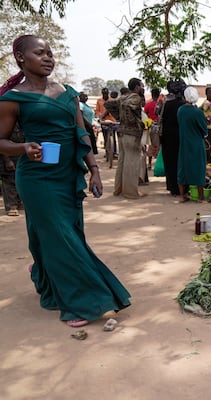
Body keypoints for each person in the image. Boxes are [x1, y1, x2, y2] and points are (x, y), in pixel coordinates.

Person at [0, 35, 130, 327]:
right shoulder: (12, 99)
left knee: (64, 233)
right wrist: (23, 148)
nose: (48, 58)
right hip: (36, 179)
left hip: (67, 176)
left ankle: (44, 275)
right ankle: (82, 303)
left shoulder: (67, 93)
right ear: (21, 58)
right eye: (40, 53)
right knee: (61, 237)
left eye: (50, 53)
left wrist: (94, 169)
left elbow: (80, 133)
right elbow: (1, 140)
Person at [114, 77, 146, 199]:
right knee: (132, 163)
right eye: (142, 86)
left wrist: (120, 118)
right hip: (132, 134)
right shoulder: (135, 98)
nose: (143, 88)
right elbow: (128, 106)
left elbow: (110, 104)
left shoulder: (123, 97)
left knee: (122, 162)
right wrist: (134, 121)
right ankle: (131, 192)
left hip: (122, 132)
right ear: (137, 87)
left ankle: (119, 190)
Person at [176, 86, 208, 203]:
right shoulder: (197, 112)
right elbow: (204, 130)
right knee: (198, 168)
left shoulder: (180, 110)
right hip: (196, 143)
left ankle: (182, 195)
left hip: (184, 142)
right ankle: (200, 197)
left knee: (183, 167)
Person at [161, 80, 187, 196]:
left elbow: (162, 119)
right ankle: (183, 187)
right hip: (180, 137)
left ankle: (172, 187)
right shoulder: (184, 105)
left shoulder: (167, 104)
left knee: (170, 162)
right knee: (180, 162)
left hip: (168, 137)